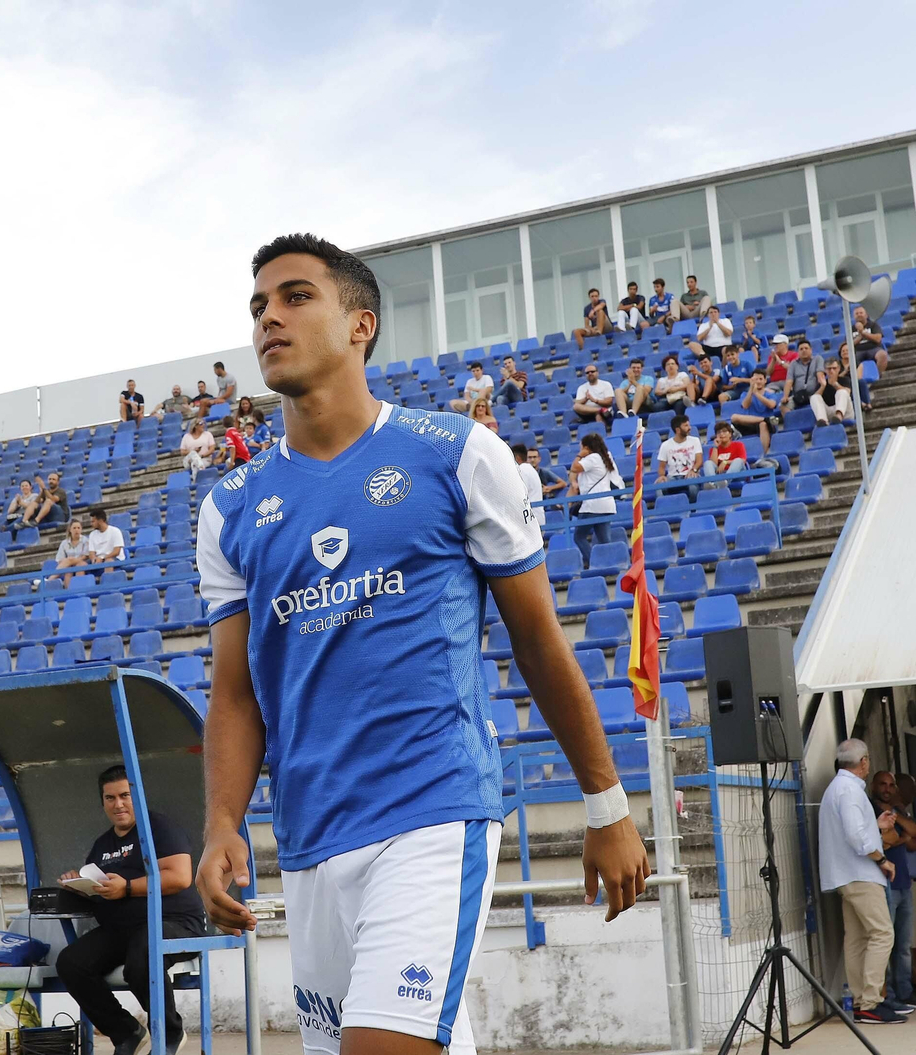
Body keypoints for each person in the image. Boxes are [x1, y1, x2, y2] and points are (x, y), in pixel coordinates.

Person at [196, 234, 649, 1055]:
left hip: (431, 813)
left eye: (296, 297)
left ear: (360, 323)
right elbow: (234, 689)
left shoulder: (456, 454)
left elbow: (538, 639)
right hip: (307, 842)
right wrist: (222, 820)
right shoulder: (230, 507)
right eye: (259, 305)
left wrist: (606, 802)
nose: (269, 317)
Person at [56, 765, 206, 1055]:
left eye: (125, 795)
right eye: (110, 798)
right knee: (71, 962)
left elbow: (180, 876)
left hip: (173, 922)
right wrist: (79, 886)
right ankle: (126, 1033)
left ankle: (170, 1033)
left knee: (143, 954)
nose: (118, 804)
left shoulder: (160, 829)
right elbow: (102, 890)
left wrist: (126, 887)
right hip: (120, 930)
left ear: (138, 796)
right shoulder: (102, 845)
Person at [818, 740, 902, 1024]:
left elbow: (851, 830)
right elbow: (856, 837)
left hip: (845, 875)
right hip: (861, 873)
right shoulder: (850, 790)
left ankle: (859, 1001)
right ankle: (870, 1000)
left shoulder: (837, 789)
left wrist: (875, 825)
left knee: (856, 939)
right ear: (864, 761)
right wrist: (882, 859)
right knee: (882, 934)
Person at [870, 770, 916, 1008]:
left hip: (904, 884)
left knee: (903, 945)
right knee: (885, 943)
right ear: (873, 785)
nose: (887, 789)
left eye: (891, 785)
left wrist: (897, 819)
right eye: (882, 784)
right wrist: (899, 835)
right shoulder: (871, 810)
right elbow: (885, 841)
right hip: (884, 884)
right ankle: (887, 995)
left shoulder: (895, 812)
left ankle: (905, 992)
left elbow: (913, 837)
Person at [569, 433, 625, 568]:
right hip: (606, 505)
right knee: (604, 540)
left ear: (587, 447)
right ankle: (610, 565)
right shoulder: (604, 457)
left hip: (592, 504)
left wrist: (580, 454)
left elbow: (574, 467)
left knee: (579, 536)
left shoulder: (593, 458)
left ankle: (595, 562)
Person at [656, 415, 703, 501]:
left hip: (690, 474)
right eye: (686, 426)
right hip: (672, 477)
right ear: (678, 430)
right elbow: (661, 466)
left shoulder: (695, 440)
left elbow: (699, 461)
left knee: (692, 485)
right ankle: (665, 509)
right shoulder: (665, 445)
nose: (689, 428)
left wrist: (694, 470)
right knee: (659, 486)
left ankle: (693, 509)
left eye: (689, 425)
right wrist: (662, 476)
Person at [730, 370, 777, 453]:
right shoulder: (745, 394)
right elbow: (745, 405)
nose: (758, 381)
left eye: (760, 379)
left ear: (765, 380)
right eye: (756, 379)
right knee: (734, 417)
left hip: (767, 425)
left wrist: (757, 394)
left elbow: (771, 405)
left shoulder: (770, 394)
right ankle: (764, 419)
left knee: (763, 424)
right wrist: (751, 391)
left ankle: (763, 453)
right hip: (752, 423)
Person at [511, 443, 546, 527]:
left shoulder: (522, 469)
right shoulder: (530, 469)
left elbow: (519, 492)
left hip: (531, 517)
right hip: (535, 516)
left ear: (517, 458)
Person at [811, 356, 854, 425]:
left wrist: (835, 384)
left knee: (841, 392)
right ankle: (822, 420)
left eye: (834, 368)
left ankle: (839, 415)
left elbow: (847, 392)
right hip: (830, 411)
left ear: (839, 369)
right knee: (814, 397)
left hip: (845, 411)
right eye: (829, 369)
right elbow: (815, 399)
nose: (831, 371)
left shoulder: (844, 380)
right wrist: (822, 386)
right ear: (825, 370)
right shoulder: (822, 383)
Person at [781, 338, 820, 411]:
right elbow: (789, 381)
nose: (804, 350)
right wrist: (785, 396)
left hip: (814, 394)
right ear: (798, 352)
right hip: (798, 395)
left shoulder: (817, 359)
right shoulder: (793, 364)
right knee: (783, 406)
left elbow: (820, 377)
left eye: (806, 348)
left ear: (811, 350)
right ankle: (791, 422)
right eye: (801, 349)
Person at [851, 305, 889, 375]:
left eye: (861, 313)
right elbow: (848, 345)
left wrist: (863, 333)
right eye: (857, 314)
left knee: (882, 355)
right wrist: (860, 336)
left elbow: (878, 339)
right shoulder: (851, 328)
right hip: (857, 351)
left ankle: (878, 375)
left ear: (866, 315)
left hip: (874, 348)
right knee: (849, 360)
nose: (859, 315)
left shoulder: (873, 325)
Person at [54, 518, 92, 585]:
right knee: (68, 570)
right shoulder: (64, 543)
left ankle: (50, 579)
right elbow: (60, 559)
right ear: (70, 530)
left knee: (79, 565)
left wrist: (72, 560)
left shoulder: (85, 540)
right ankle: (68, 592)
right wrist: (70, 562)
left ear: (81, 529)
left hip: (83, 563)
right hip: (69, 565)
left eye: (78, 528)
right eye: (74, 528)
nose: (76, 530)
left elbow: (86, 556)